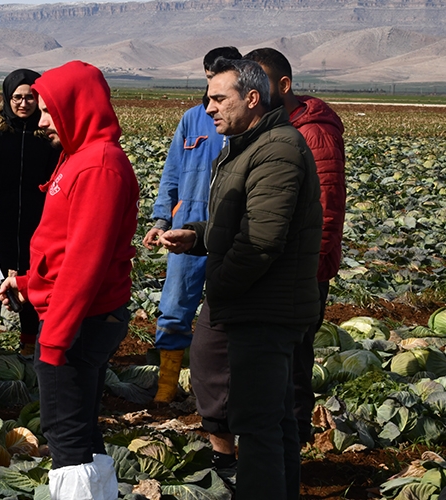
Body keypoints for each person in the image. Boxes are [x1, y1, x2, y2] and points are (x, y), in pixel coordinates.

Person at [159, 57, 322, 500]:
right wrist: (195, 237)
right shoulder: (249, 145)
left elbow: (261, 243)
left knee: (258, 424)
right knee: (273, 421)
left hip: (263, 310)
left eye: (218, 98)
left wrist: (221, 291)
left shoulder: (277, 149)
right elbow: (239, 229)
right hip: (259, 305)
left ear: (252, 99)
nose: (208, 108)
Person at [0, 60, 138, 497]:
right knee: (79, 424)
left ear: (75, 106)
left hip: (77, 321)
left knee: (64, 432)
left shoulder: (99, 166)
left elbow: (85, 262)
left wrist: (54, 338)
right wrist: (27, 284)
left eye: (47, 110)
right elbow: (63, 251)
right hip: (72, 313)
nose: (40, 120)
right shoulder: (81, 157)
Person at [245, 47, 346, 447]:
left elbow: (327, 208)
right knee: (276, 363)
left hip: (301, 272)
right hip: (276, 267)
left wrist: (311, 271)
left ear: (283, 85)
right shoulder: (271, 125)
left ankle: (294, 445)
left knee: (294, 363)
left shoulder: (313, 132)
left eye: (260, 84)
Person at [141, 46, 240, 406]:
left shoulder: (244, 121)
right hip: (186, 227)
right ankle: (166, 386)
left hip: (230, 228)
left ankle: (221, 391)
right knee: (175, 305)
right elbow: (172, 173)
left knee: (228, 307)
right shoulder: (192, 119)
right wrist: (161, 218)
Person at [0, 68, 58, 353]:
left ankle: (29, 343)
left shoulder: (47, 133)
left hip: (38, 218)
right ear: (7, 98)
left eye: (31, 97)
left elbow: (56, 173)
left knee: (31, 278)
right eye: (17, 97)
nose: (24, 103)